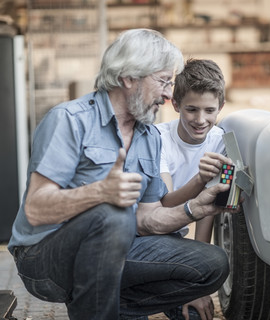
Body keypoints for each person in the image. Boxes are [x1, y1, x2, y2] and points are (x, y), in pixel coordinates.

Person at [8, 28, 235, 320]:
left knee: (212, 262)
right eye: (164, 81)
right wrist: (99, 193)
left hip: (115, 249)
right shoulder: (69, 120)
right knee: (113, 215)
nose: (169, 94)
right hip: (44, 258)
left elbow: (148, 220)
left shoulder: (149, 136)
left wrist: (196, 208)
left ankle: (114, 310)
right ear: (129, 78)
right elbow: (36, 209)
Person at [156, 58, 227, 243]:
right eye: (192, 109)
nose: (201, 119)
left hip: (179, 234)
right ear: (176, 105)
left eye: (209, 110)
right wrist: (200, 179)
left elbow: (208, 203)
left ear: (220, 107)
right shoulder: (158, 139)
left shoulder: (220, 141)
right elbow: (165, 204)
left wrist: (201, 249)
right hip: (154, 232)